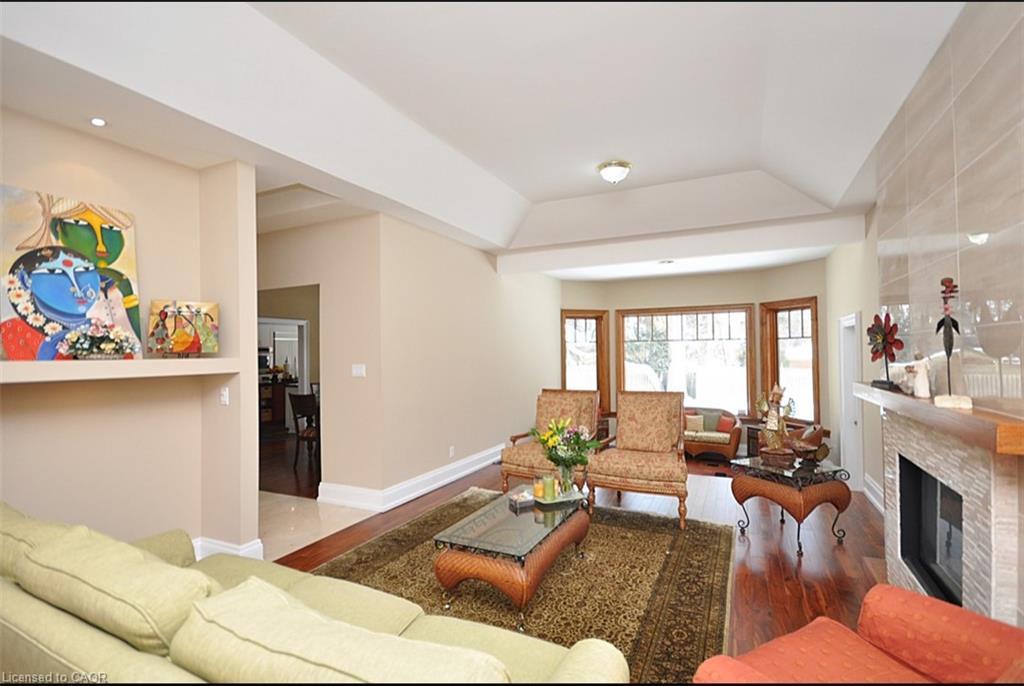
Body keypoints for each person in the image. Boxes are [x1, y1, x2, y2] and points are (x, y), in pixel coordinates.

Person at [1, 247, 100, 360]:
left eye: (83, 270)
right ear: (25, 280)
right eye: (53, 272)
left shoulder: (105, 329)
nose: (77, 289)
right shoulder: (14, 330)